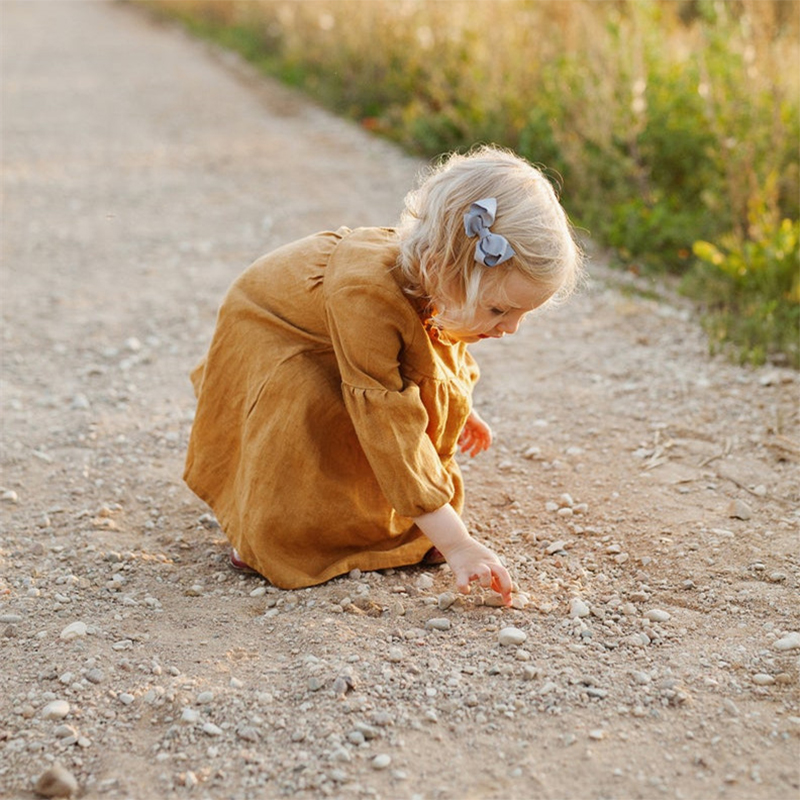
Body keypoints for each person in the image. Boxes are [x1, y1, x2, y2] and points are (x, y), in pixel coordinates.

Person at [184, 145, 583, 605]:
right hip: (276, 341)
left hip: (341, 338)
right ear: (441, 268)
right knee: (311, 409)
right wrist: (457, 543)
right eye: (499, 309)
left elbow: (431, 356)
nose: (510, 327)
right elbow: (388, 422)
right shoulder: (367, 296)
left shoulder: (435, 281)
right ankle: (270, 534)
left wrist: (459, 408)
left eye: (521, 314)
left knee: (387, 404)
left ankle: (402, 525)